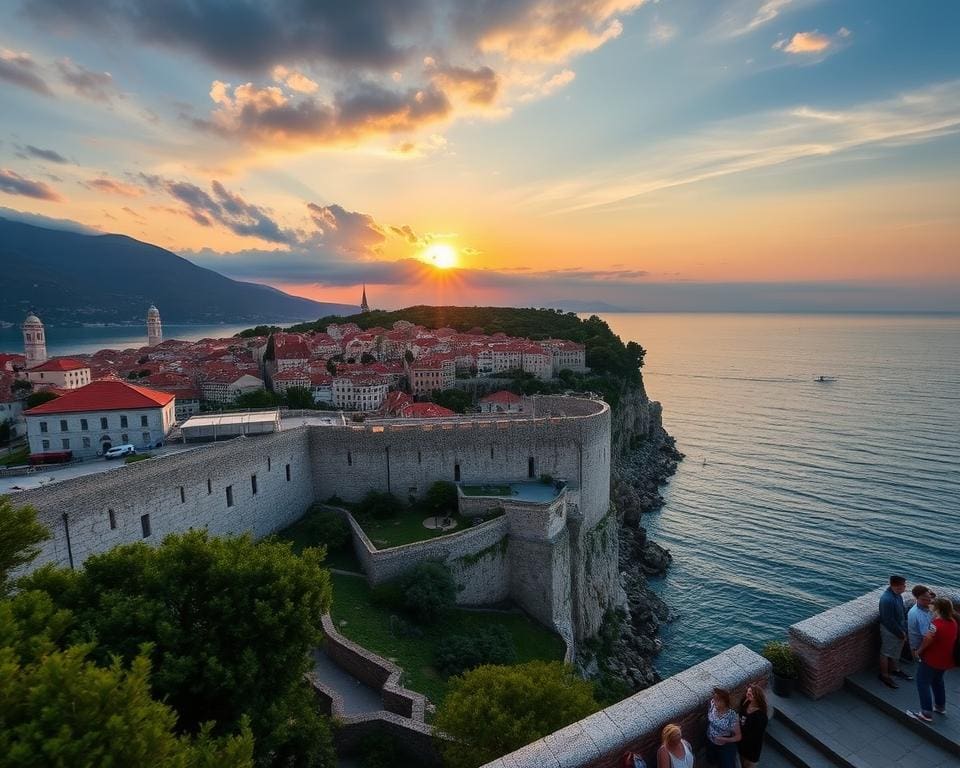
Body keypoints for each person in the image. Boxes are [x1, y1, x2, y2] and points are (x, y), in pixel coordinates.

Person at [908, 596, 958, 722]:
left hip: (932, 659)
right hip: (946, 659)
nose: (930, 606)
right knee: (938, 681)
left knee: (922, 683)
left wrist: (918, 651)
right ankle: (940, 707)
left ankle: (926, 713)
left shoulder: (936, 624)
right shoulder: (953, 622)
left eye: (933, 605)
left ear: (938, 608)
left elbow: (927, 639)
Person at [878, 575, 911, 688]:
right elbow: (888, 620)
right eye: (903, 585)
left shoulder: (897, 595)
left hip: (899, 628)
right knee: (886, 652)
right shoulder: (887, 599)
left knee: (895, 650)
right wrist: (899, 633)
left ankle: (894, 669)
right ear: (896, 586)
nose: (905, 587)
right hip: (890, 630)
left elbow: (902, 612)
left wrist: (904, 629)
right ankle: (884, 675)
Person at [705, 687, 740, 768]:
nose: (714, 701)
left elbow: (738, 736)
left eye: (718, 700)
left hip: (724, 744)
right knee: (711, 761)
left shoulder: (732, 716)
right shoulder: (712, 705)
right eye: (714, 698)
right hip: (710, 740)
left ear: (725, 701)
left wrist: (724, 739)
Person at [738, 683, 769, 768]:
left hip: (752, 750)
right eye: (748, 692)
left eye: (751, 693)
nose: (748, 694)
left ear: (758, 697)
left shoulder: (761, 717)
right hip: (741, 745)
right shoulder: (745, 703)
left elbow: (756, 737)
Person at [907, 585, 935, 655]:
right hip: (920, 646)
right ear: (917, 598)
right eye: (924, 599)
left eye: (929, 598)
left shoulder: (926, 607)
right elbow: (927, 636)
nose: (928, 601)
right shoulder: (917, 614)